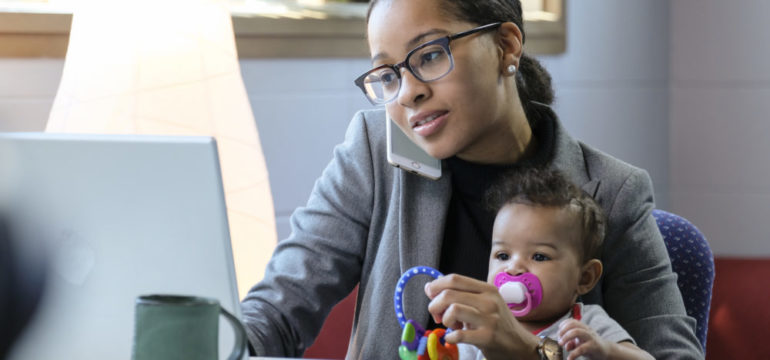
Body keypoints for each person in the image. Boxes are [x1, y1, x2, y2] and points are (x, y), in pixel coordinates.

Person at [240, 0, 702, 358]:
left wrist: (529, 352)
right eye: (388, 73)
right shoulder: (376, 152)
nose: (410, 91)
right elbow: (277, 313)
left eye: (430, 54)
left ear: (507, 46)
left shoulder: (612, 191)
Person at [446, 168, 652, 360]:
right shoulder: (478, 323)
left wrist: (606, 350)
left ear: (585, 277)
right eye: (502, 255)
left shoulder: (585, 325)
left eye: (539, 257)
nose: (514, 268)